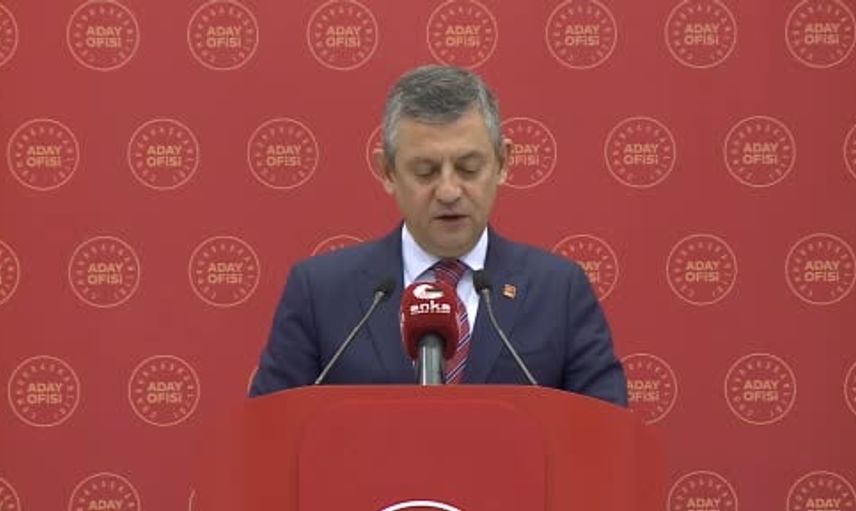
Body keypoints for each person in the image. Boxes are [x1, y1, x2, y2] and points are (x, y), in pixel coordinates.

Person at [250, 65, 627, 406]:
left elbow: (607, 434)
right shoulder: (320, 292)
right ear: (387, 171)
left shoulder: (559, 291)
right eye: (425, 171)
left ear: (503, 162)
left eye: (468, 168)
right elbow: (269, 436)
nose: (448, 191)